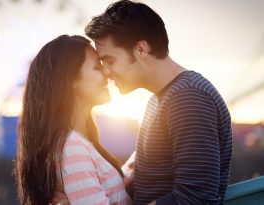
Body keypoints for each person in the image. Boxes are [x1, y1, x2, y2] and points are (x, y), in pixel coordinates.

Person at [85, 1, 232, 204]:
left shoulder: (188, 98)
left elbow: (196, 199)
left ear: (141, 49)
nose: (107, 73)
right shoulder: (163, 98)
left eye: (109, 61)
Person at [15, 35, 131, 205]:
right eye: (97, 67)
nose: (107, 73)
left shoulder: (78, 142)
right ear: (71, 80)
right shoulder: (72, 148)